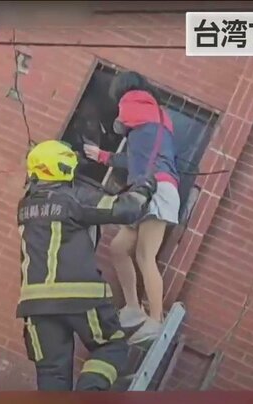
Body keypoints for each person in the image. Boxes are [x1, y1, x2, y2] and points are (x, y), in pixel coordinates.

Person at [17, 139, 157, 391]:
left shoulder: (25, 206)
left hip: (36, 304)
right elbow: (125, 209)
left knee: (52, 371)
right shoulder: (73, 198)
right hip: (79, 296)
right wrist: (143, 187)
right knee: (111, 346)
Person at [83, 71, 180, 344]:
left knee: (145, 255)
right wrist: (103, 157)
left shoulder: (131, 103)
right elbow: (135, 159)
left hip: (156, 188)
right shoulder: (160, 115)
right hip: (148, 189)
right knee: (118, 248)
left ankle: (156, 320)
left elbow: (118, 126)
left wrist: (105, 140)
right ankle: (133, 308)